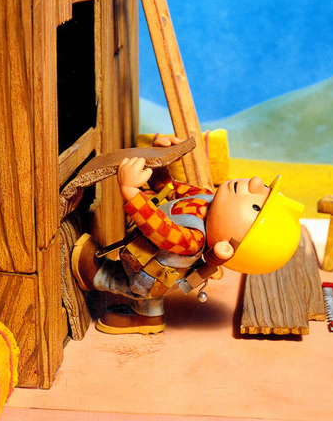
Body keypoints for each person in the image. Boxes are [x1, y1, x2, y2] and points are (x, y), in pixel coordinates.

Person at [71, 136, 304, 334]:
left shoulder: (193, 240)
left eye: (256, 207)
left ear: (226, 247)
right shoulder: (205, 197)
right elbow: (169, 190)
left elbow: (161, 230)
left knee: (123, 282)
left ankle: (97, 275)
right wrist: (159, 159)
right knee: (146, 298)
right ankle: (149, 317)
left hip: (147, 275)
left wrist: (131, 191)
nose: (256, 182)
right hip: (138, 253)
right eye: (265, 189)